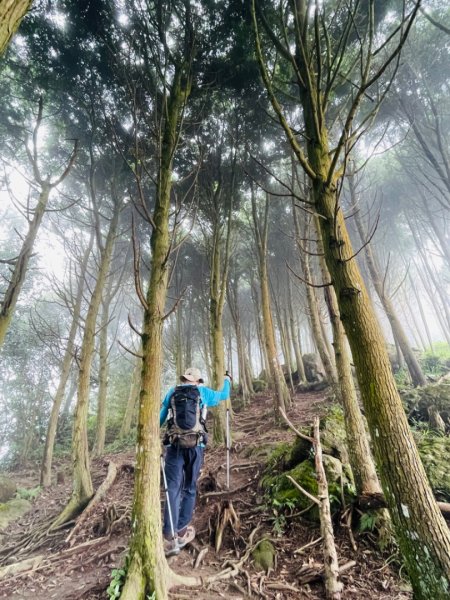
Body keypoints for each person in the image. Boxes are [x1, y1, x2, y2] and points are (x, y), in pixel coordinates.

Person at [160, 366, 231, 557]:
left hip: (174, 446)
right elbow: (224, 394)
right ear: (198, 381)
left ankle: (169, 534)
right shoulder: (203, 393)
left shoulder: (172, 392)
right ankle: (182, 530)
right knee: (190, 488)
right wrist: (227, 379)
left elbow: (160, 417)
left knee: (172, 488)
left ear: (183, 379)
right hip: (196, 446)